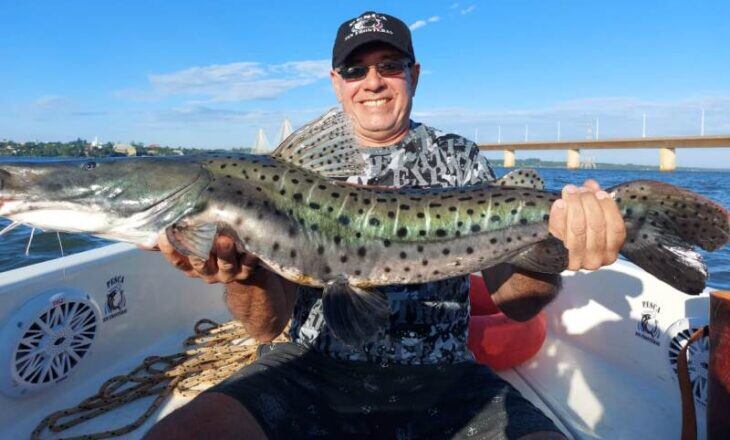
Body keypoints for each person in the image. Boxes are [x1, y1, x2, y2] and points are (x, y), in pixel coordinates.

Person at [145, 11, 625, 440]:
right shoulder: (287, 173)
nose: (372, 81)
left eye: (389, 66)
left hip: (444, 376)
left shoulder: (460, 159)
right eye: (356, 69)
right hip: (309, 367)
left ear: (414, 75)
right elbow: (267, 327)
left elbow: (517, 304)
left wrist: (559, 247)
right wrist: (245, 274)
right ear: (337, 81)